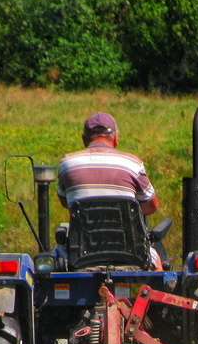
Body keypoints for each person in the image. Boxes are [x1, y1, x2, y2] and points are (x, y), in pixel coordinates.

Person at [56, 112, 163, 269]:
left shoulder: (67, 164)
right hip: (130, 252)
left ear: (84, 139)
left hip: (80, 253)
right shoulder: (132, 163)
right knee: (156, 262)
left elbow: (66, 202)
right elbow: (150, 206)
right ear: (116, 138)